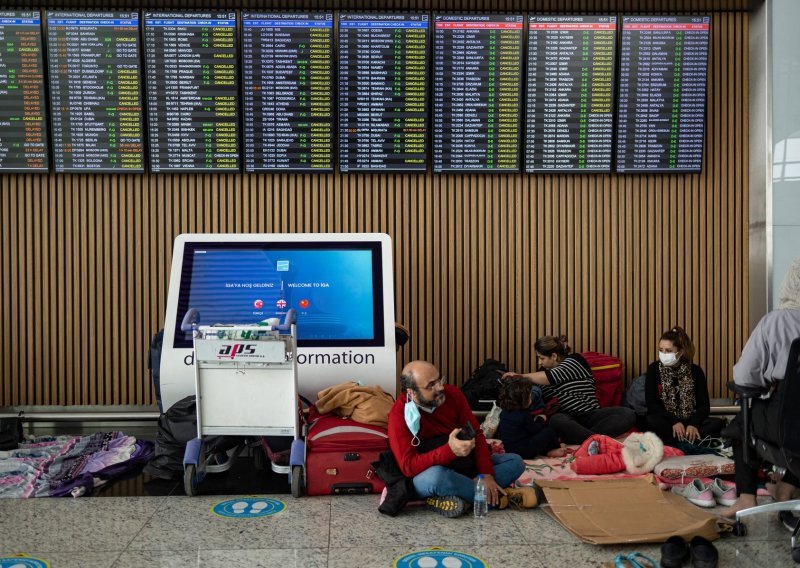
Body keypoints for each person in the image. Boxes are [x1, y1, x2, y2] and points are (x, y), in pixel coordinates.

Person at [387, 360, 536, 518]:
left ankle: (458, 498)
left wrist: (486, 474)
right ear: (412, 392)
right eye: (431, 385)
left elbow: (476, 434)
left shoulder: (453, 394)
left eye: (439, 380)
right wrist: (449, 450)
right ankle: (501, 498)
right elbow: (408, 467)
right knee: (437, 477)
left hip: (462, 466)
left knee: (515, 462)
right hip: (427, 475)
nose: (440, 387)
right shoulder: (399, 415)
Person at [721, 257, 800, 519]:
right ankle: (787, 487)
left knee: (740, 425)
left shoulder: (775, 322)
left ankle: (746, 498)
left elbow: (745, 379)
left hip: (781, 423)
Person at [505, 335, 636, 444]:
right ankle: (593, 441)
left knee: (627, 414)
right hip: (567, 419)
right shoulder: (539, 375)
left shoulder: (574, 361)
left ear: (554, 356)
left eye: (542, 358)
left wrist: (519, 376)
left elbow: (553, 377)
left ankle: (587, 439)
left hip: (591, 415)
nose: (539, 362)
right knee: (557, 420)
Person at [643, 326, 725, 447]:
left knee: (719, 424)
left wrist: (694, 424)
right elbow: (652, 404)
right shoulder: (654, 369)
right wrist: (674, 422)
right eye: (661, 350)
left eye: (668, 351)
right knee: (649, 421)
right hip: (667, 421)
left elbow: (704, 406)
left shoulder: (695, 371)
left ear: (680, 352)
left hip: (689, 421)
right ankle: (688, 441)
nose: (663, 354)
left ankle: (680, 440)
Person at [496, 376, 567, 458]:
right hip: (525, 451)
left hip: (510, 449)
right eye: (529, 396)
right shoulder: (523, 414)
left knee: (534, 438)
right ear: (522, 400)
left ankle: (547, 449)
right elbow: (535, 430)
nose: (531, 398)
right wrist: (541, 419)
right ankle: (554, 448)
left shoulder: (504, 412)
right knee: (548, 432)